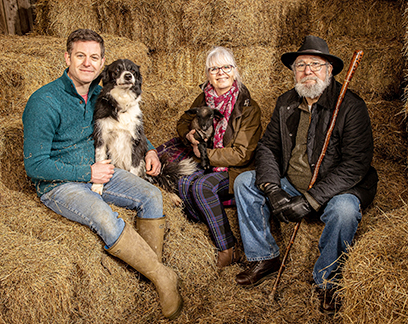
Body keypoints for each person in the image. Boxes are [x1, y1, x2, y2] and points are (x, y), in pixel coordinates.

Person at [22, 29, 183, 320]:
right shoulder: (44, 101)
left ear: (102, 62)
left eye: (93, 57)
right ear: (67, 57)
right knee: (103, 215)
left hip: (102, 171)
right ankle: (163, 278)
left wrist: (148, 149)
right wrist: (87, 171)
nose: (87, 63)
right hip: (60, 184)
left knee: (151, 193)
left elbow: (126, 126)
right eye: (80, 55)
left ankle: (150, 269)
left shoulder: (103, 92)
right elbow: (35, 166)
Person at [234, 35, 378, 314]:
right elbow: (267, 147)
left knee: (345, 211)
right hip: (291, 182)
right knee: (244, 183)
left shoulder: (350, 106)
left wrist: (311, 200)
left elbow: (356, 164)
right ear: (293, 71)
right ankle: (264, 256)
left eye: (315, 64)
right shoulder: (286, 102)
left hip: (334, 188)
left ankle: (326, 280)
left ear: (330, 70)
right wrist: (273, 188)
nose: (307, 70)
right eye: (301, 65)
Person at [176, 46, 262, 268]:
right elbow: (183, 121)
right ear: (208, 74)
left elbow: (242, 154)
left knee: (202, 188)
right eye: (214, 68)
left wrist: (206, 154)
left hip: (234, 170)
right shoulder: (204, 98)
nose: (220, 72)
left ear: (235, 71)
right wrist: (190, 136)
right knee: (182, 180)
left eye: (226, 67)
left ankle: (228, 248)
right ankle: (204, 231)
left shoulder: (248, 107)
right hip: (206, 162)